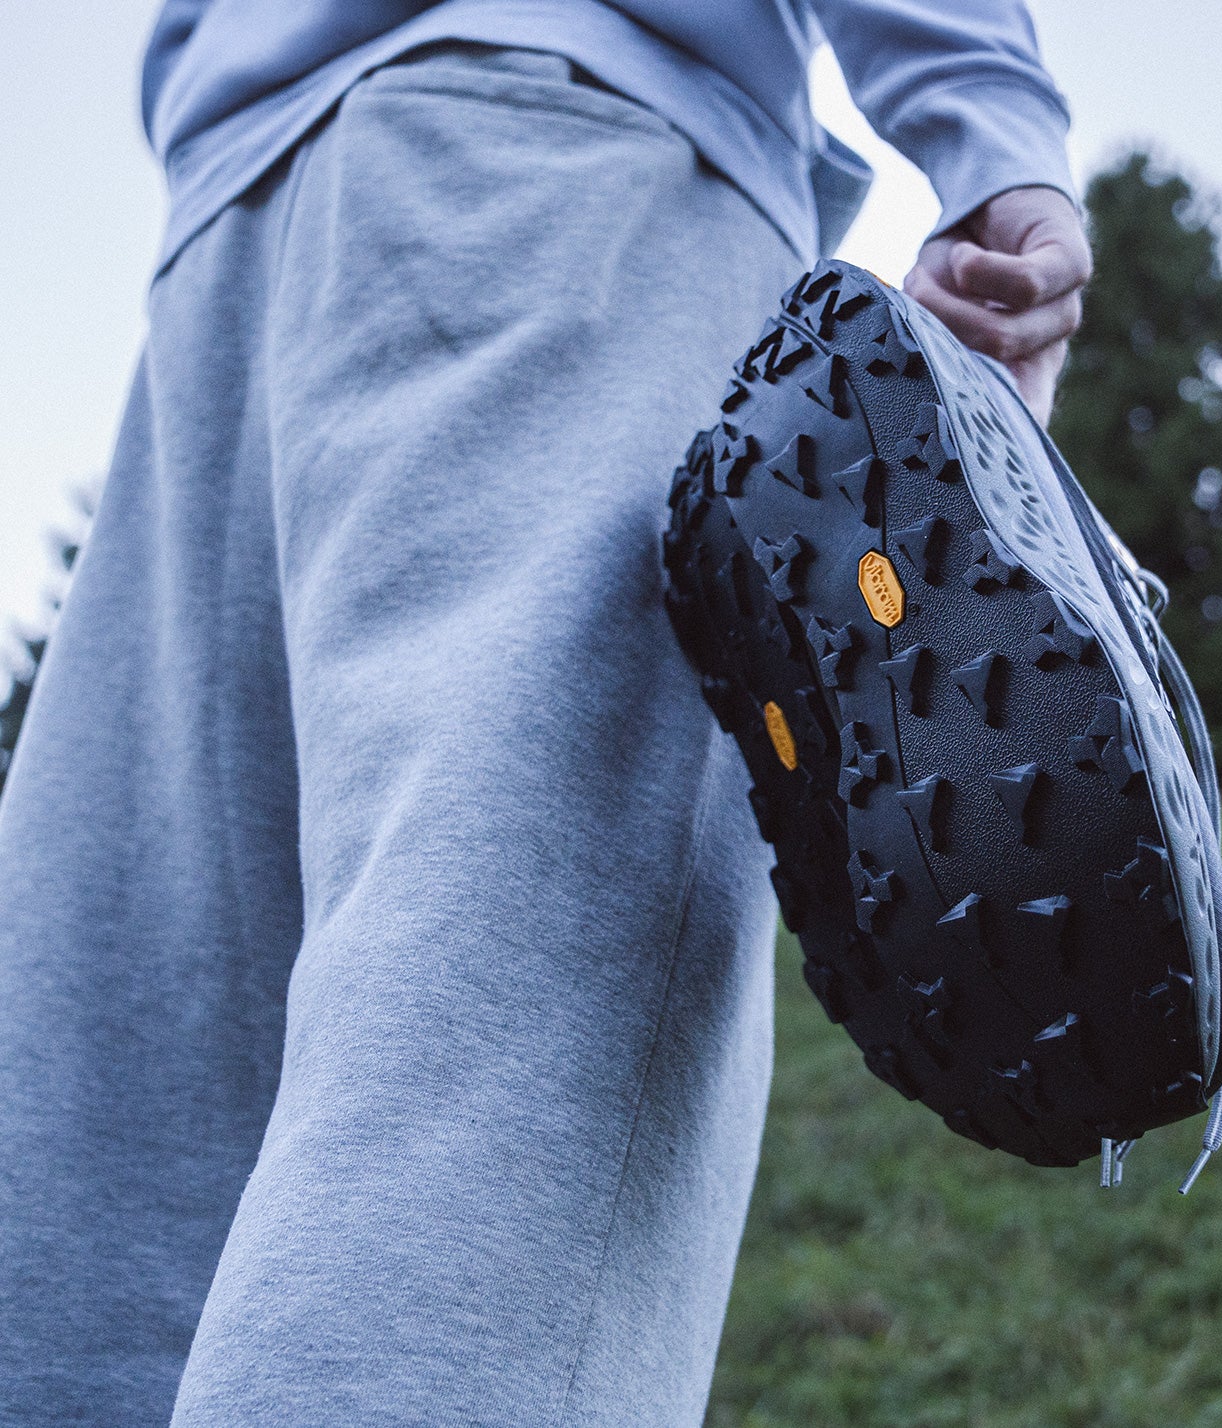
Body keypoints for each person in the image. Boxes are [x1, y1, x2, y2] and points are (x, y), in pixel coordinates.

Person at [0, 3, 1090, 1422]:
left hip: (236, 223)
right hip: (567, 178)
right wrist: (995, 136)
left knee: (115, 1154)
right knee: (483, 1093)